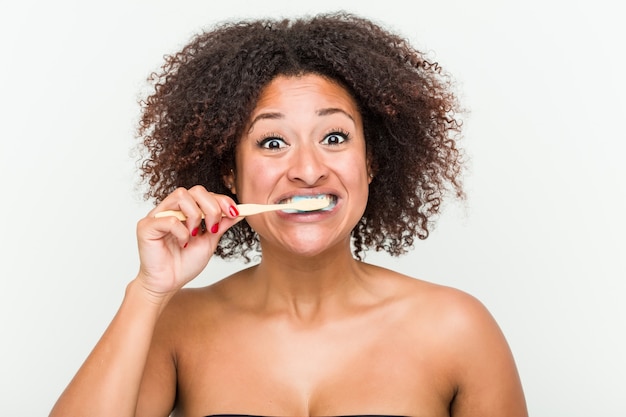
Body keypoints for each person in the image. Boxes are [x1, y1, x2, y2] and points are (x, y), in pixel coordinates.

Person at [49, 12, 528, 417]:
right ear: (230, 175)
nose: (307, 170)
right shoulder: (177, 326)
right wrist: (148, 292)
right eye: (272, 143)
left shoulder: (457, 328)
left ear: (372, 161)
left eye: (334, 137)